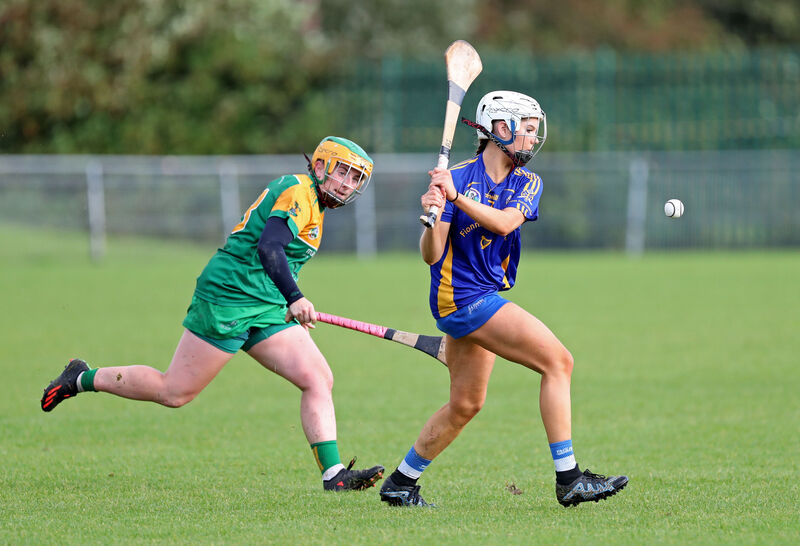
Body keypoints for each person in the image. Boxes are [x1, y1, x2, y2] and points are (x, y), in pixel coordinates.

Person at [41, 136, 385, 492]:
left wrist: (284, 300)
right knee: (173, 391)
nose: (348, 183)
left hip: (265, 304)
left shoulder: (316, 204)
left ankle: (334, 476)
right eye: (342, 172)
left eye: (356, 178)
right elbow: (269, 248)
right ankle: (80, 377)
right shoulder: (298, 190)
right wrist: (295, 297)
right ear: (318, 167)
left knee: (317, 377)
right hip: (228, 297)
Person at [379, 91, 628, 507]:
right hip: (461, 298)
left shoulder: (527, 182)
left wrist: (455, 199)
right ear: (500, 129)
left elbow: (507, 222)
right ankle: (569, 479)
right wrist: (433, 213)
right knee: (558, 361)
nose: (534, 139)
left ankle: (401, 483)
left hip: (481, 295)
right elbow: (431, 255)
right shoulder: (455, 177)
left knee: (466, 403)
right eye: (527, 130)